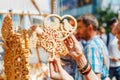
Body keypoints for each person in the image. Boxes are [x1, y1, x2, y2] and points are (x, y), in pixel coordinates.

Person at [75, 14, 109, 80]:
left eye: (79, 27)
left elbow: (94, 77)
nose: (77, 31)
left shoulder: (91, 46)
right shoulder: (99, 42)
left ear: (90, 28)